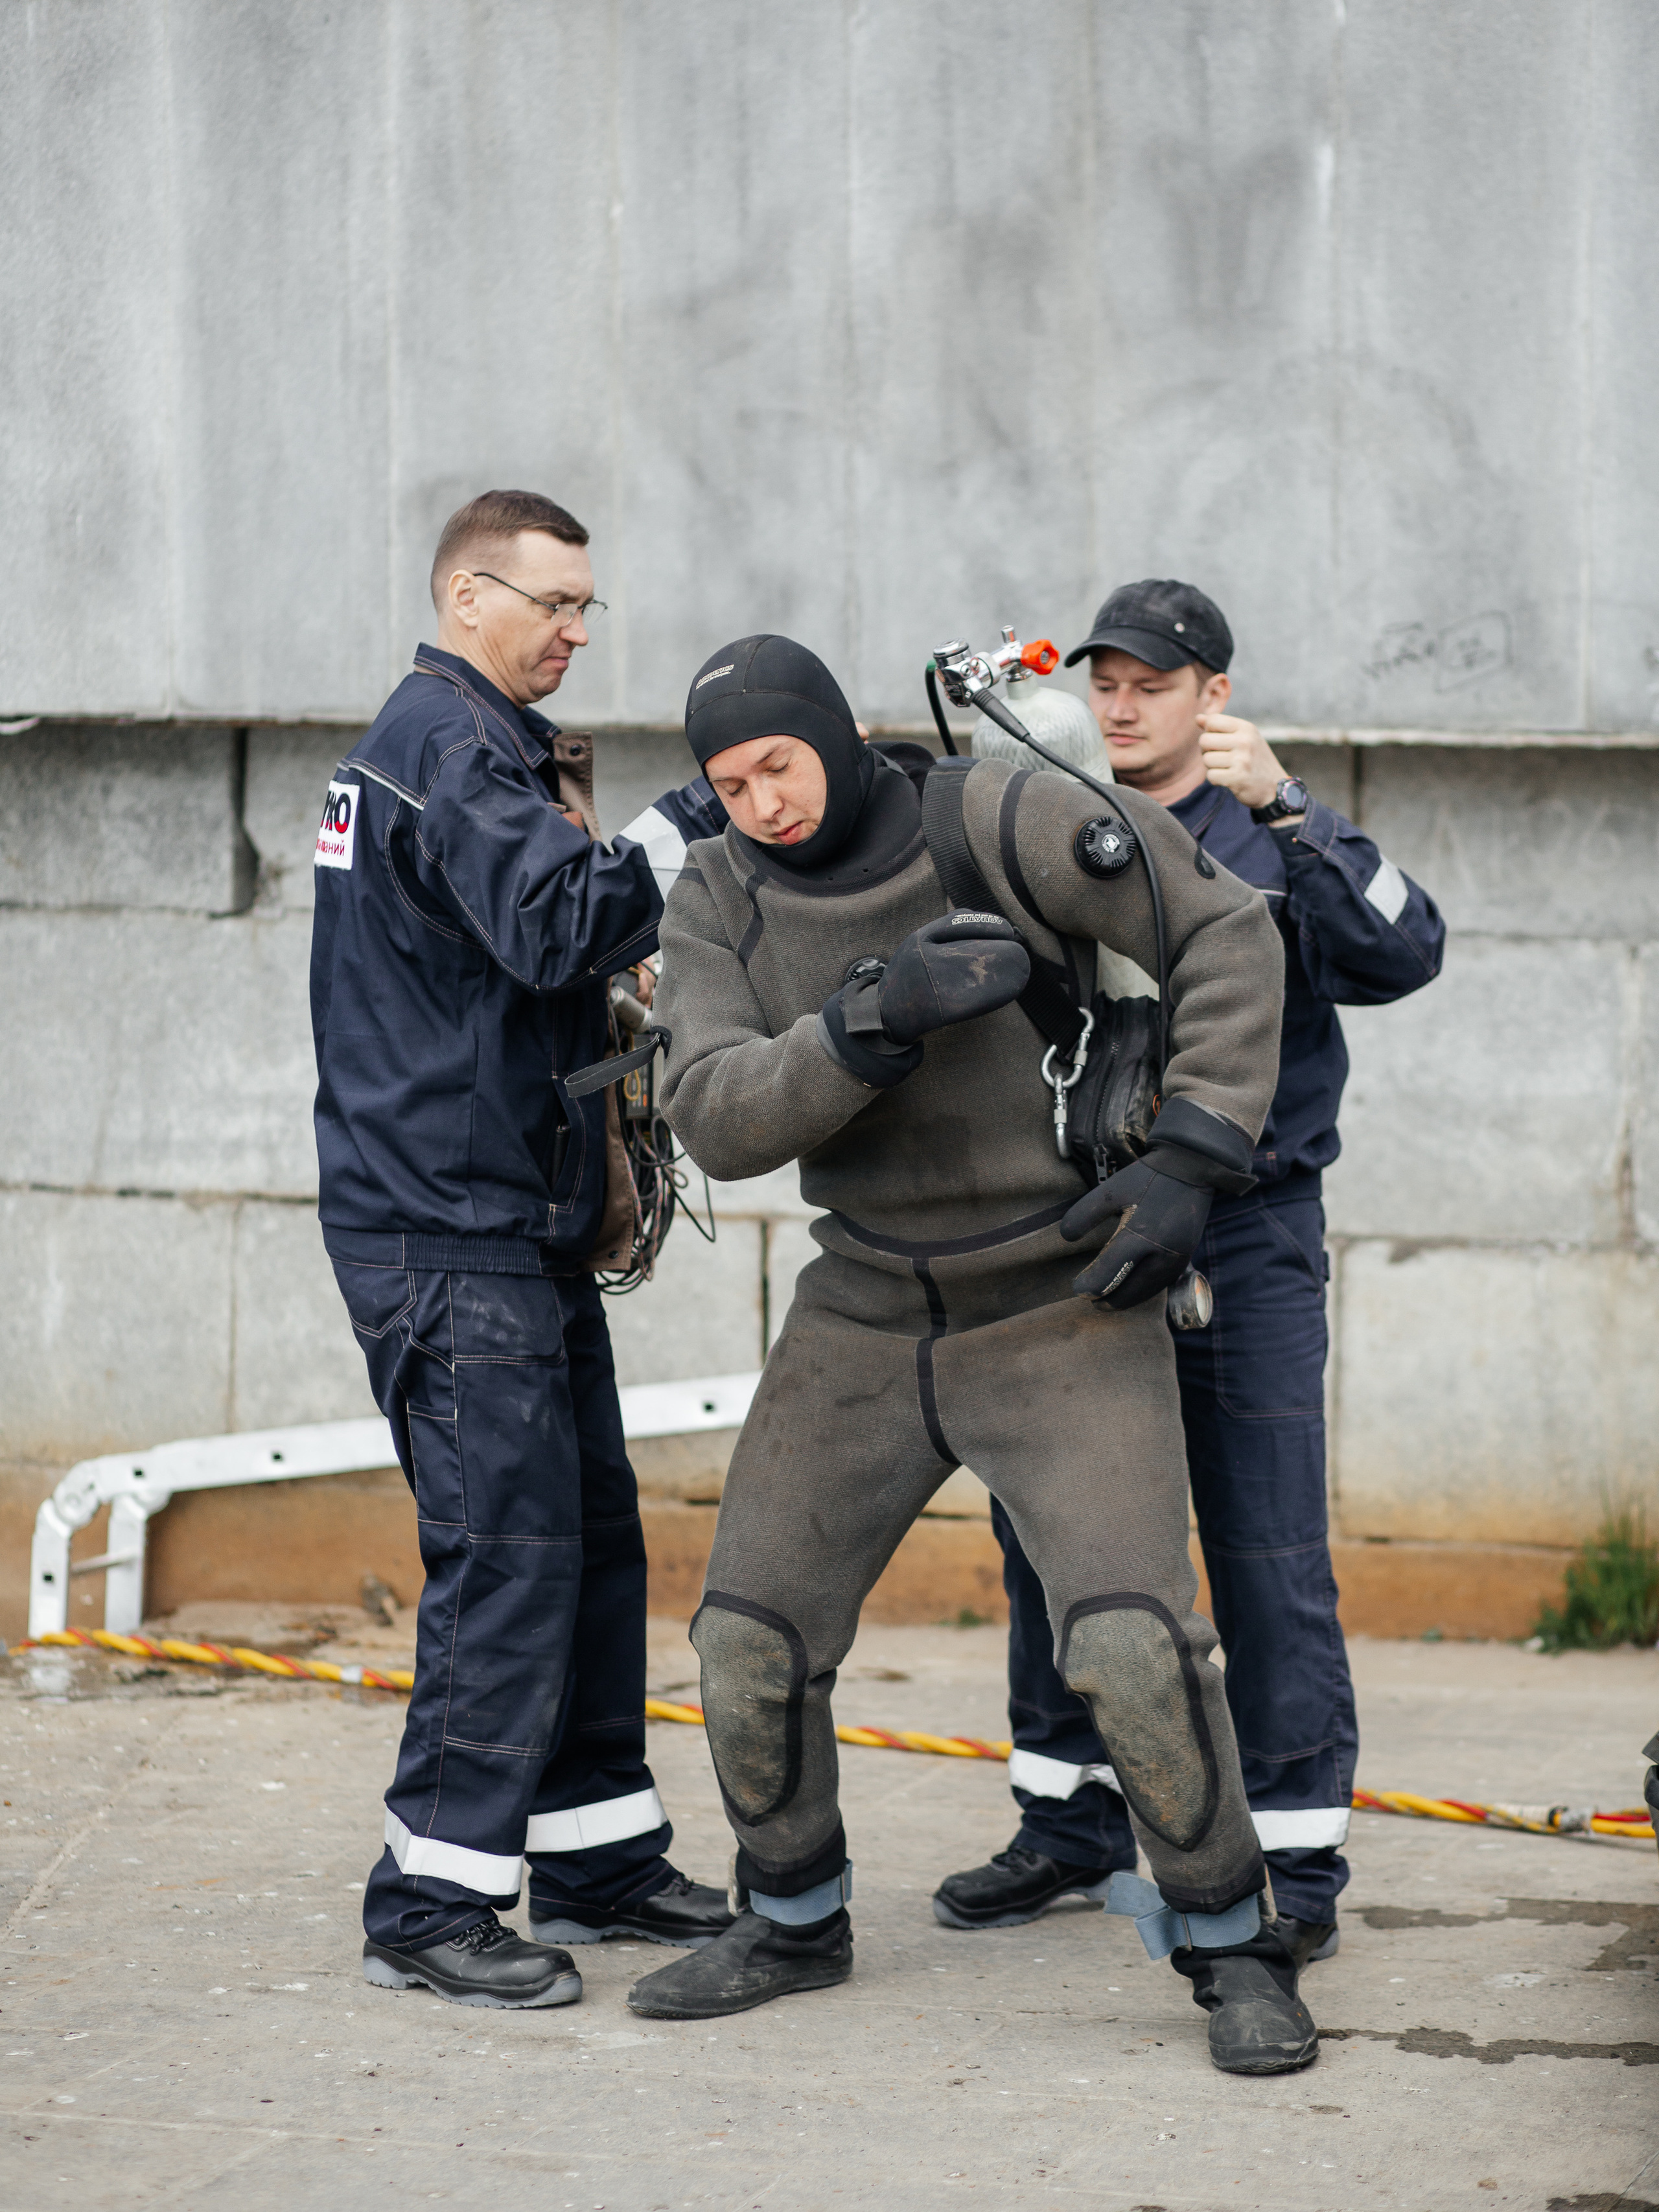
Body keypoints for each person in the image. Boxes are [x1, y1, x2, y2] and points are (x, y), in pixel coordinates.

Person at [625, 631, 1328, 2076]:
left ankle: (1229, 1946)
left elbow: (1227, 932)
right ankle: (791, 1915)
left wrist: (1194, 1155)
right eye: (727, 781)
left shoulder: (992, 813)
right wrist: (859, 1026)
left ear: (829, 732)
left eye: (777, 764)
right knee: (745, 1642)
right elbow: (712, 1113)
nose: (759, 800)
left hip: (1061, 1298)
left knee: (1133, 1647)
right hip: (864, 1306)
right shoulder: (714, 894)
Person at [935, 579, 1445, 1968]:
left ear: (1212, 696)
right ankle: (1068, 1818)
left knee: (1262, 1547)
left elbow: (1405, 947)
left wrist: (1291, 808)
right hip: (1079, 1226)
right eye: (1102, 679)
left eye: (1151, 683)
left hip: (1244, 1233)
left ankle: (1293, 1867)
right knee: (1054, 1532)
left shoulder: (1263, 836)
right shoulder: (1050, 815)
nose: (1118, 703)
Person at [310, 489, 732, 2009]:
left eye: (583, 609)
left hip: (513, 1230)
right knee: (506, 1563)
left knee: (587, 1543)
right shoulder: (446, 752)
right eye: (552, 605)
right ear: (469, 595)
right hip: (448, 1233)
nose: (572, 633)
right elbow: (559, 925)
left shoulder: (459, 749)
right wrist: (690, 822)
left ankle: (597, 1851)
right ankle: (429, 1905)